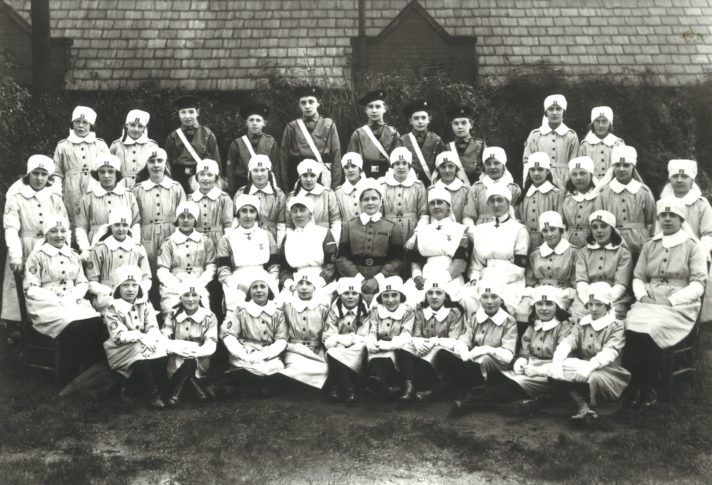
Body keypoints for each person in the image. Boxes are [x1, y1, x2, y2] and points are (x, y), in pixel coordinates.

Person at [624, 198, 707, 407]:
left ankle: (649, 387)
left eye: (673, 216)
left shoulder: (692, 246)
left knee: (653, 327)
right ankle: (634, 384)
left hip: (679, 304)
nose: (667, 219)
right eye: (664, 215)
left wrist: (672, 301)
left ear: (681, 219)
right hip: (649, 299)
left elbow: (698, 284)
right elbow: (638, 276)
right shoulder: (650, 245)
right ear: (659, 218)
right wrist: (641, 296)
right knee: (631, 325)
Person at [453, 285, 573, 414]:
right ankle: (501, 403)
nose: (543, 309)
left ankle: (470, 405)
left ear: (557, 306)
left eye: (549, 304)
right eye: (539, 304)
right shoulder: (533, 326)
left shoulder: (564, 328)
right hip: (528, 369)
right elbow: (524, 351)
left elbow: (562, 361)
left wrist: (539, 370)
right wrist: (521, 360)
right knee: (495, 377)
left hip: (547, 374)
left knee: (511, 386)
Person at [23, 216, 103, 383]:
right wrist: (56, 298)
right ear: (46, 234)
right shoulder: (37, 256)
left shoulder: (73, 255)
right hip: (47, 303)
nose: (59, 235)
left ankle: (91, 375)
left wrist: (73, 297)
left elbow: (82, 282)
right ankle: (68, 376)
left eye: (62, 231)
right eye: (53, 231)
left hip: (73, 299)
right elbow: (31, 288)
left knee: (95, 321)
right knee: (71, 324)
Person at [550, 282, 630, 423]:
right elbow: (569, 341)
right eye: (590, 304)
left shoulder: (616, 326)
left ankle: (583, 406)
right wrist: (557, 361)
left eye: (599, 304)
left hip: (608, 370)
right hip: (582, 365)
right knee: (555, 371)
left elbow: (610, 352)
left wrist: (588, 367)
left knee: (592, 378)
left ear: (608, 306)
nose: (593, 309)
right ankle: (583, 407)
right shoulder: (583, 324)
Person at [2, 155, 68, 323]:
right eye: (35, 173)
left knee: (45, 285)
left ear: (49, 177)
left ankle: (44, 322)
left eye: (44, 174)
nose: (39, 178)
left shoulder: (54, 197)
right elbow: (11, 228)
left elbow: (64, 226)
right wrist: (15, 255)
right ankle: (17, 325)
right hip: (24, 245)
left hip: (48, 246)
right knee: (20, 286)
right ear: (28, 174)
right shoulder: (16, 196)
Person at [103, 265, 168, 409]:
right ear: (118, 288)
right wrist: (141, 337)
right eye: (125, 285)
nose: (130, 289)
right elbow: (119, 335)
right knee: (139, 352)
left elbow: (152, 327)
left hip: (144, 343)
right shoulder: (112, 308)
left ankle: (137, 386)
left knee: (163, 347)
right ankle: (153, 394)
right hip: (120, 349)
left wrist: (150, 339)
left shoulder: (144, 303)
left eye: (134, 285)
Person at [404, 271, 469, 402]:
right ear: (425, 295)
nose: (434, 297)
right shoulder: (421, 311)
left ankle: (428, 387)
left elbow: (454, 339)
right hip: (423, 346)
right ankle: (409, 386)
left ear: (445, 296)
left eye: (438, 293)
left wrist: (434, 341)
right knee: (405, 348)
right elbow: (416, 334)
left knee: (423, 370)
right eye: (430, 293)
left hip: (443, 348)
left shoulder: (453, 313)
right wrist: (417, 342)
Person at [335, 178, 403, 303]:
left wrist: (377, 280)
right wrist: (359, 279)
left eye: (374, 198)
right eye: (366, 199)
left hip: (383, 278)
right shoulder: (349, 226)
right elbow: (341, 258)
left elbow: (397, 260)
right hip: (354, 278)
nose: (370, 202)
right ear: (360, 202)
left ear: (381, 201)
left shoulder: (392, 227)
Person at [466, 184, 529, 315]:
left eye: (500, 200)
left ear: (508, 202)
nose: (496, 204)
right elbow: (476, 264)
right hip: (485, 278)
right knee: (467, 298)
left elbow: (519, 267)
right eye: (492, 201)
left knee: (501, 302)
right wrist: (475, 278)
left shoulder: (519, 229)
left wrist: (496, 280)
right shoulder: (481, 230)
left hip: (510, 281)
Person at [220, 271, 287, 394]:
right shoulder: (241, 310)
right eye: (254, 287)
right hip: (246, 352)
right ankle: (256, 385)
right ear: (249, 291)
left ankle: (249, 385)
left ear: (269, 289)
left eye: (262, 286)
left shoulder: (278, 312)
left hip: (268, 354)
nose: (259, 290)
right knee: (245, 366)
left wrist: (264, 355)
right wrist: (242, 354)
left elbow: (281, 339)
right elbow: (229, 335)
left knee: (275, 367)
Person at [404, 187, 469, 306]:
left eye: (440, 202)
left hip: (450, 276)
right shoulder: (422, 230)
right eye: (432, 204)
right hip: (425, 275)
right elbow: (416, 259)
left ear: (448, 206)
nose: (436, 206)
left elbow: (460, 261)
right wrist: (417, 277)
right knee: (409, 300)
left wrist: (442, 279)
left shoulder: (459, 229)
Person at [217, 194, 279, 311]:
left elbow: (274, 265)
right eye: (244, 211)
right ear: (238, 213)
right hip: (237, 280)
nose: (248, 215)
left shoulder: (266, 235)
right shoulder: (228, 237)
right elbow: (223, 269)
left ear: (257, 214)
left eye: (252, 211)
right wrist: (234, 284)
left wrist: (271, 281)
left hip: (263, 278)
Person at [132, 149, 186, 281]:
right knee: (147, 269)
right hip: (146, 235)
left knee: (171, 268)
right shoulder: (138, 189)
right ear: (146, 165)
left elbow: (184, 216)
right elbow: (134, 219)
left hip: (171, 233)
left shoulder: (176, 188)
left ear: (165, 164)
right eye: (151, 161)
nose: (156, 165)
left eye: (160, 161)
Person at [162, 281, 218, 406]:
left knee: (190, 362)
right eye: (186, 295)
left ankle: (176, 393)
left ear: (200, 297)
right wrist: (176, 348)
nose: (190, 299)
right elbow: (164, 337)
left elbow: (211, 343)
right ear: (180, 297)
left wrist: (196, 352)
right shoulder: (173, 314)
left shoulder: (209, 316)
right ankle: (195, 388)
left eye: (194, 295)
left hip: (199, 358)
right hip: (177, 356)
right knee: (184, 364)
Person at [594, 145, 656, 259]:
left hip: (640, 244)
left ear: (633, 167)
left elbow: (651, 221)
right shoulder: (604, 193)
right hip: (613, 243)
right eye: (617, 165)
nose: (621, 169)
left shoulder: (644, 192)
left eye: (626, 165)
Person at [52, 105, 110, 226]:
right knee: (73, 221)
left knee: (95, 219)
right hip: (71, 190)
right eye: (77, 122)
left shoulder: (100, 145)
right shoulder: (63, 146)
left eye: (85, 122)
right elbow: (57, 172)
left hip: (95, 187)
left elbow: (109, 169)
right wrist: (57, 193)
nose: (80, 126)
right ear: (72, 124)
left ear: (91, 125)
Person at [157, 201, 216, 317]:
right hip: (175, 284)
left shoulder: (205, 241)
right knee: (171, 308)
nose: (185, 220)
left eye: (190, 217)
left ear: (195, 220)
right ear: (177, 219)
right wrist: (178, 286)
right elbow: (162, 271)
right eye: (182, 217)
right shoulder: (169, 242)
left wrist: (199, 283)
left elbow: (211, 267)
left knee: (203, 309)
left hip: (199, 282)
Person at [75, 153, 140, 259]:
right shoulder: (88, 197)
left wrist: (135, 244)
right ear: (97, 174)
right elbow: (81, 226)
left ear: (117, 174)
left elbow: (135, 224)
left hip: (123, 243)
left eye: (110, 171)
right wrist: (85, 249)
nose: (106, 176)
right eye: (102, 172)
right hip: (96, 244)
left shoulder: (128, 195)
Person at [86, 207, 151, 313]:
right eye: (117, 225)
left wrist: (137, 291)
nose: (121, 229)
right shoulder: (100, 249)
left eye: (125, 225)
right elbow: (92, 281)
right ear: (111, 226)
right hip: (107, 296)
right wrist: (106, 291)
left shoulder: (137, 249)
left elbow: (146, 278)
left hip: (132, 295)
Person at [458, 282, 517, 395]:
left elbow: (508, 355)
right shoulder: (475, 317)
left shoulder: (509, 322)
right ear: (479, 299)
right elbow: (466, 337)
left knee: (482, 360)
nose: (489, 301)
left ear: (502, 299)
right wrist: (464, 349)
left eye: (494, 296)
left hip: (497, 362)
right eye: (485, 297)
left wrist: (484, 349)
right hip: (474, 359)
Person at [278, 85, 341, 190]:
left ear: (318, 103)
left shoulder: (328, 125)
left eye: (311, 102)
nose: (307, 106)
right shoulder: (292, 127)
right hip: (298, 175)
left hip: (322, 174)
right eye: (303, 102)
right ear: (299, 105)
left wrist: (335, 186)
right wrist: (285, 187)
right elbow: (284, 158)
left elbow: (336, 156)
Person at [575, 210, 634, 319]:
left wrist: (605, 300)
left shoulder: (623, 253)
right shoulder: (584, 252)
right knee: (579, 315)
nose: (599, 231)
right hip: (588, 296)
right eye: (595, 227)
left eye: (603, 226)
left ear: (611, 228)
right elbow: (581, 281)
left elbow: (621, 283)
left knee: (610, 316)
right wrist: (587, 300)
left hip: (614, 297)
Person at [363, 276, 415, 401]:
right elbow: (372, 331)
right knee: (375, 358)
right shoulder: (376, 310)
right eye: (386, 296)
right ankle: (380, 384)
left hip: (397, 346)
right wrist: (371, 341)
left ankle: (387, 386)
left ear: (400, 296)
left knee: (391, 357)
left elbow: (406, 334)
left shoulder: (407, 311)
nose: (390, 300)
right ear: (381, 297)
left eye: (394, 295)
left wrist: (389, 345)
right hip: (379, 346)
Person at [278, 195, 337, 304]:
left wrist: (319, 282)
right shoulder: (288, 237)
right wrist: (290, 285)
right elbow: (284, 268)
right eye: (294, 211)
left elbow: (331, 264)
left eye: (302, 210)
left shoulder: (323, 233)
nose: (298, 215)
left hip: (321, 280)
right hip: (296, 282)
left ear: (310, 213)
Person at [280, 272, 331, 390]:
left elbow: (327, 329)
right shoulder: (288, 306)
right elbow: (283, 329)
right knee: (295, 367)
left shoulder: (323, 306)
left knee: (324, 370)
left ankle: (297, 384)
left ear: (314, 287)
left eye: (308, 283)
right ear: (295, 286)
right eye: (300, 283)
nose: (304, 287)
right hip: (295, 349)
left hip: (316, 349)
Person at [323, 277, 370, 404]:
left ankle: (337, 387)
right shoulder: (334, 312)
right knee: (333, 352)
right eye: (346, 293)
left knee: (356, 349)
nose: (350, 297)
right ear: (340, 294)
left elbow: (364, 338)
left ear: (359, 295)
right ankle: (349, 389)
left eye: (354, 293)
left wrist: (345, 339)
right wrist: (339, 340)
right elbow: (328, 338)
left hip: (356, 350)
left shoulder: (365, 313)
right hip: (339, 348)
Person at [523, 212, 579, 316]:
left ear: (560, 230)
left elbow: (575, 282)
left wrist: (566, 293)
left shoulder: (573, 253)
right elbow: (530, 281)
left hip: (562, 294)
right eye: (545, 231)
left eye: (553, 229)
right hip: (538, 293)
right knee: (523, 312)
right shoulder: (535, 254)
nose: (549, 234)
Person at [164, 95, 221, 193]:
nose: (187, 116)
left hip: (202, 176)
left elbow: (216, 161)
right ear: (178, 114)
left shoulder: (207, 134)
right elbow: (168, 162)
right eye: (183, 112)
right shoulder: (173, 137)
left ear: (197, 112)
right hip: (179, 177)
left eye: (191, 112)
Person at [522, 94, 578, 188]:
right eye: (551, 109)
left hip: (564, 179)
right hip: (540, 178)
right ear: (545, 112)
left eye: (558, 109)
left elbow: (574, 162)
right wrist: (526, 183)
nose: (554, 113)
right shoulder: (535, 135)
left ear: (564, 111)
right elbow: (527, 161)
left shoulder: (571, 136)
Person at [657, 159, 712, 254]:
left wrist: (698, 253)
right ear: (670, 179)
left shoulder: (701, 204)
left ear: (692, 180)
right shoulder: (661, 204)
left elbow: (708, 234)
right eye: (675, 176)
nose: (679, 180)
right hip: (666, 252)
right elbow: (656, 231)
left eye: (684, 176)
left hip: (693, 252)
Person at [233, 154, 287, 246]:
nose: (259, 174)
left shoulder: (278, 194)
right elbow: (236, 221)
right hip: (246, 238)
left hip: (271, 239)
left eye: (262, 170)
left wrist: (278, 247)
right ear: (250, 173)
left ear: (269, 172)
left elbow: (281, 224)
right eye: (255, 170)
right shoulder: (241, 193)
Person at [347, 89, 401, 179]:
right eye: (370, 107)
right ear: (366, 110)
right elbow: (351, 160)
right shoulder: (359, 133)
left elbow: (399, 159)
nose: (374, 110)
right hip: (364, 176)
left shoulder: (393, 132)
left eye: (378, 107)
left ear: (385, 109)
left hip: (388, 176)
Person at [379, 146, 428, 245]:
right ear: (392, 166)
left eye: (404, 163)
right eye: (397, 163)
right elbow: (378, 214)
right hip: (388, 232)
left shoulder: (418, 186)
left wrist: (416, 236)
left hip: (412, 231)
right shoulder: (382, 185)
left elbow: (424, 215)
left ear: (409, 166)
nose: (401, 167)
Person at [226, 102, 278, 193]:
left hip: (264, 185)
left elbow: (276, 167)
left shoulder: (271, 142)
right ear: (246, 122)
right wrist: (231, 189)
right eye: (251, 120)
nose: (254, 123)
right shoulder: (237, 143)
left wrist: (276, 187)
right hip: (243, 184)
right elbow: (230, 169)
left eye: (258, 120)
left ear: (264, 123)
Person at [286, 158, 342, 244]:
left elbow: (335, 220)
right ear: (300, 177)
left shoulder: (327, 194)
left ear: (317, 177)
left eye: (312, 175)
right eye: (305, 175)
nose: (308, 179)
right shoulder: (292, 196)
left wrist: (332, 241)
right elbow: (289, 225)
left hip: (324, 240)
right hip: (301, 241)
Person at [517, 152, 562, 251]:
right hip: (525, 241)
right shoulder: (524, 195)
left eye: (540, 169)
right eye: (532, 170)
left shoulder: (555, 194)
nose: (536, 173)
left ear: (547, 171)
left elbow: (560, 222)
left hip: (547, 241)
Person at [188, 158, 233, 249]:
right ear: (197, 177)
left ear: (216, 178)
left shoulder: (223, 198)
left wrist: (227, 245)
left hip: (218, 240)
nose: (205, 178)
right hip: (196, 241)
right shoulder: (190, 199)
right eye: (202, 174)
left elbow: (228, 224)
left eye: (210, 175)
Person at [110, 109, 159, 189]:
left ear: (144, 128)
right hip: (121, 187)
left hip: (145, 187)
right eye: (132, 125)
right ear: (126, 125)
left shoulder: (152, 146)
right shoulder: (116, 146)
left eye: (140, 126)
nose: (136, 129)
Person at [470, 147, 521, 225]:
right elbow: (469, 216)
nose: (492, 167)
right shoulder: (477, 188)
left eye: (496, 163)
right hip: (481, 228)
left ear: (503, 165)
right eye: (488, 164)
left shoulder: (513, 189)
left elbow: (517, 215)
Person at [399, 99, 444, 187]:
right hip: (409, 182)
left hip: (431, 182)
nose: (420, 121)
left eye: (423, 118)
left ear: (429, 119)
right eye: (416, 118)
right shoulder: (403, 140)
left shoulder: (436, 140)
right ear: (410, 121)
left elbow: (441, 164)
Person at [577, 106, 625, 183]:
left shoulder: (618, 143)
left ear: (610, 123)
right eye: (597, 121)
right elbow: (581, 169)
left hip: (613, 184)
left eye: (604, 121)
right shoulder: (585, 145)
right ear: (592, 123)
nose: (601, 125)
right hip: (591, 185)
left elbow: (622, 167)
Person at [429, 151, 476, 226]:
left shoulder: (465, 191)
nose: (447, 170)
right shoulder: (431, 191)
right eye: (443, 167)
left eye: (450, 166)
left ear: (456, 168)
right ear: (438, 170)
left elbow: (468, 218)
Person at [561, 156, 599, 249]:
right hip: (569, 244)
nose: (578, 177)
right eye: (574, 174)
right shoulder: (566, 198)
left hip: (593, 243)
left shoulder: (599, 197)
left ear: (590, 174)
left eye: (582, 173)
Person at [445, 105, 486, 184]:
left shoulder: (480, 145)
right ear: (451, 125)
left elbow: (486, 170)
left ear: (471, 125)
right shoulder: (448, 147)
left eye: (464, 123)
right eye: (456, 123)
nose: (460, 127)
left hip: (476, 188)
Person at [333, 152, 368, 222]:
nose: (350, 170)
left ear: (360, 168)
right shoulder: (339, 193)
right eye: (346, 167)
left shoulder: (370, 187)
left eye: (353, 166)